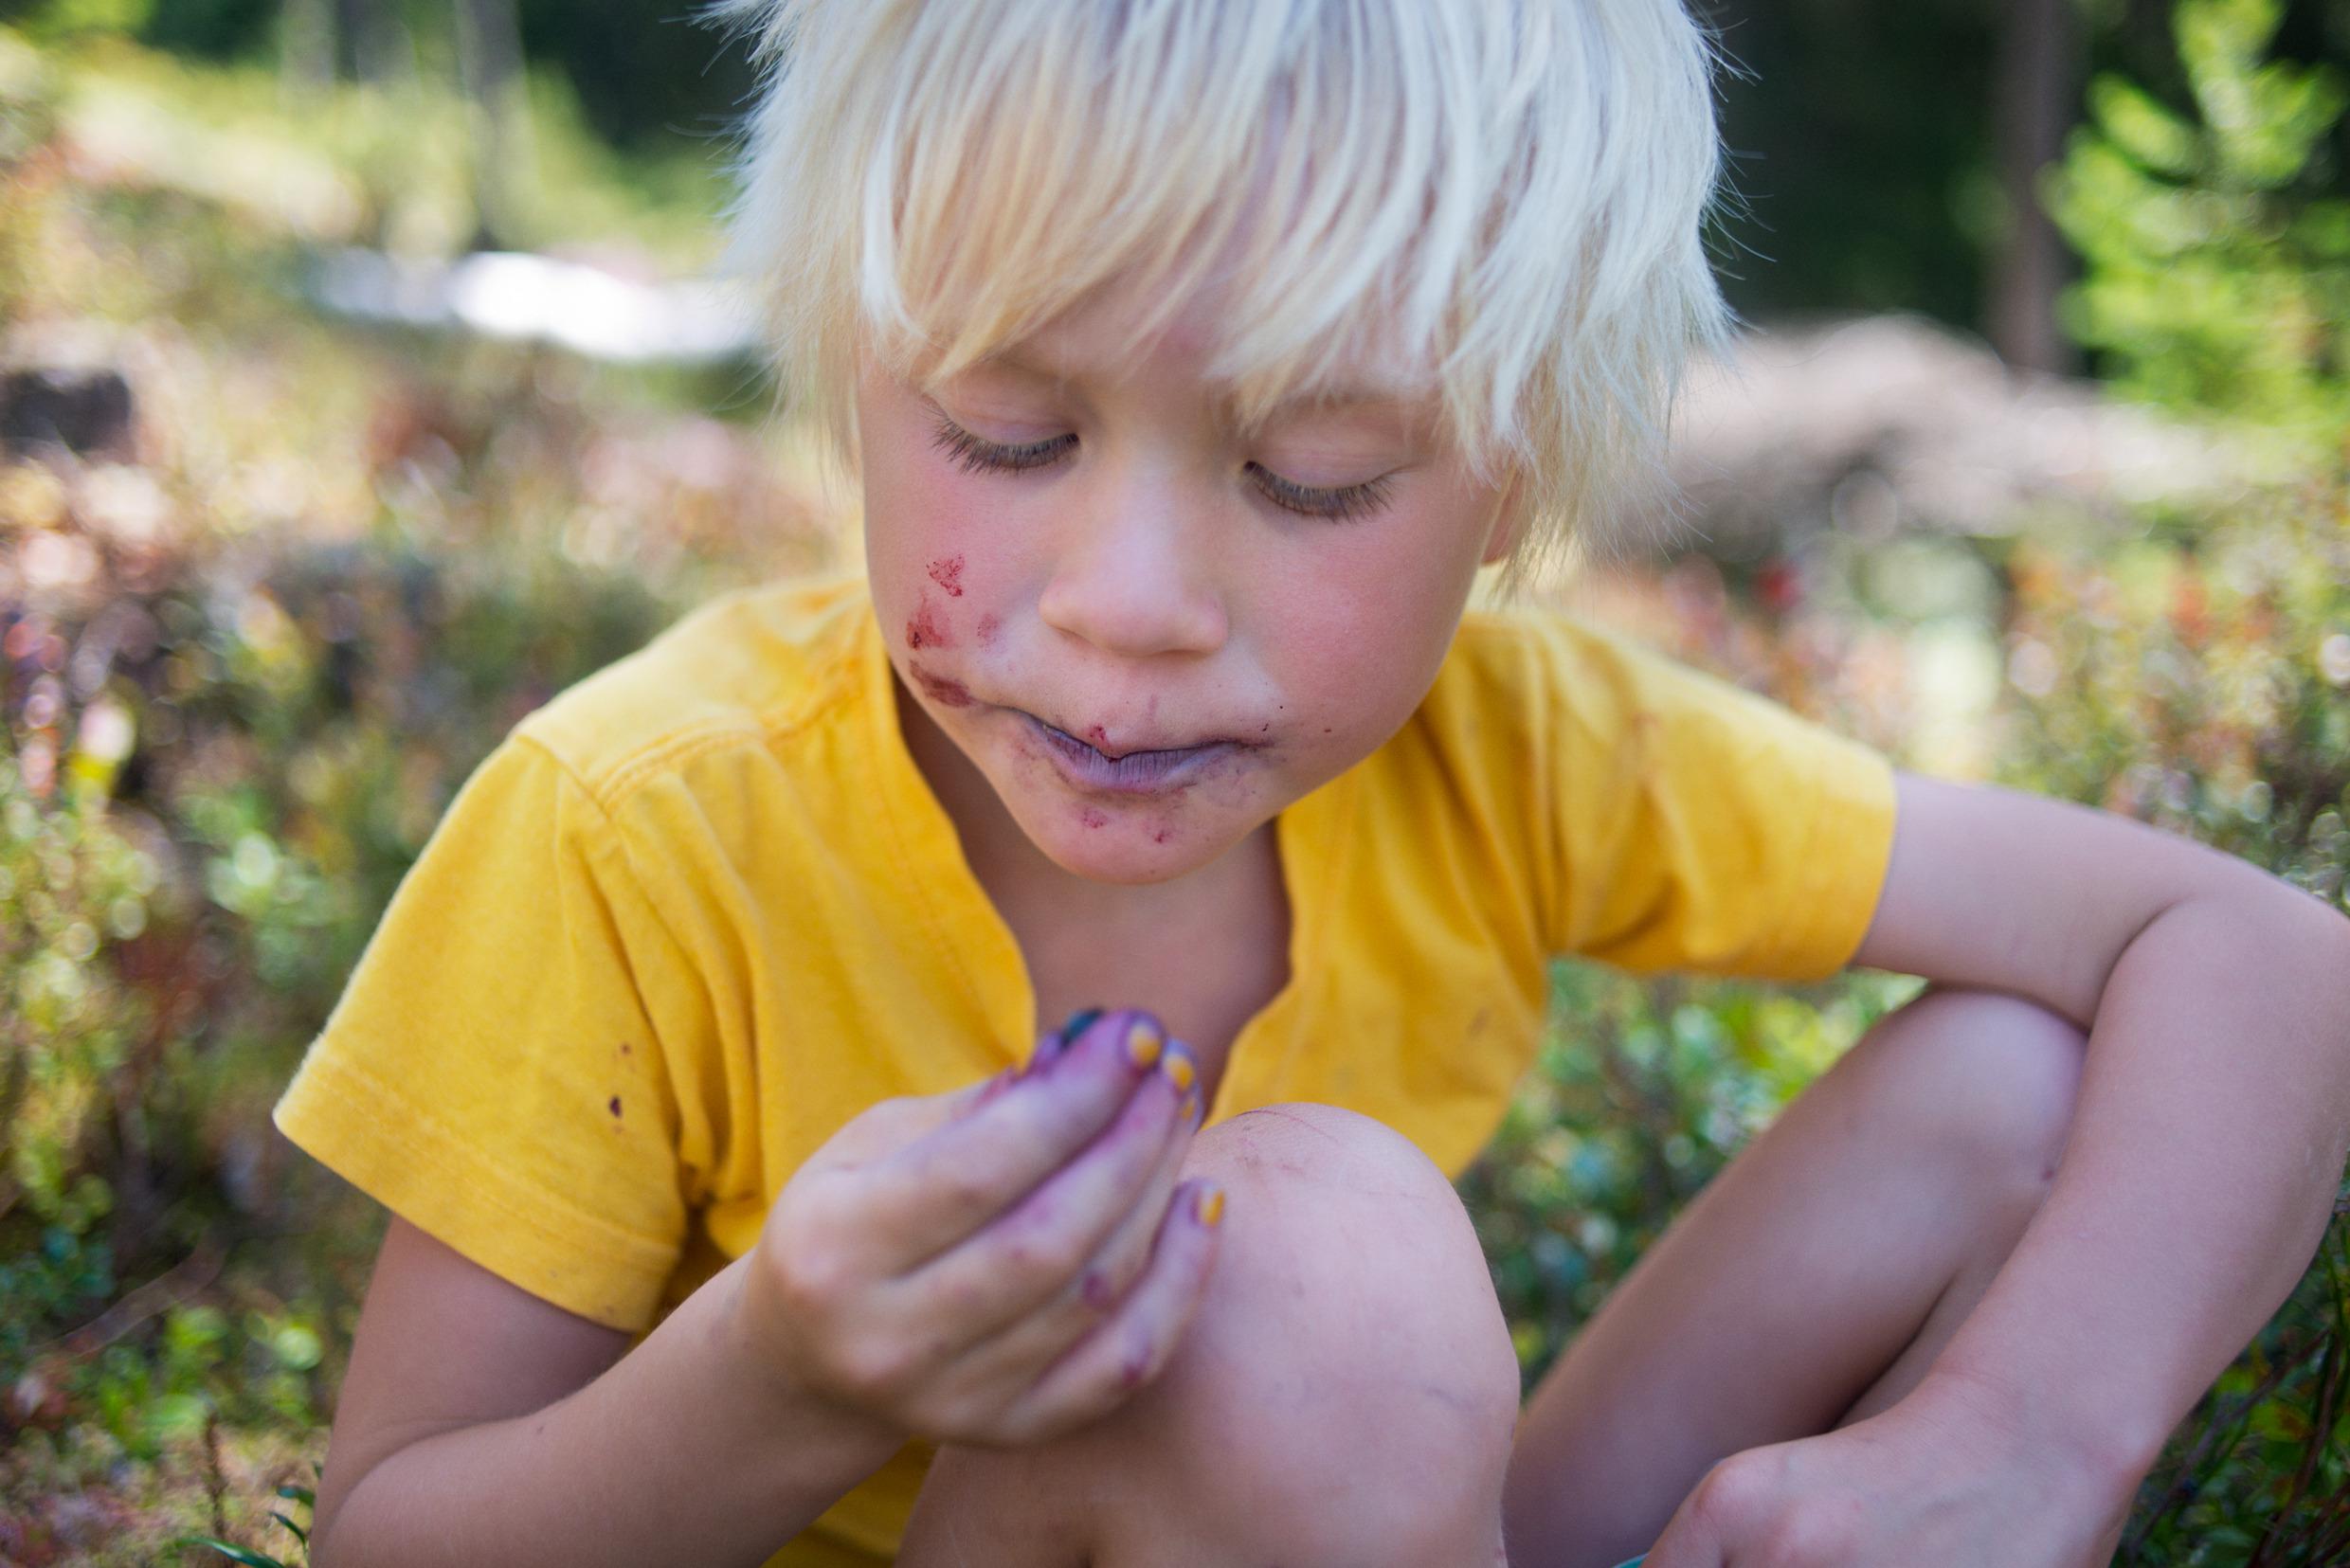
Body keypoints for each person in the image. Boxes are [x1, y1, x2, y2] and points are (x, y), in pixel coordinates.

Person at [269, 1, 2350, 1564]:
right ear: (847, 376)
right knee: (1302, 1267)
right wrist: (782, 1377)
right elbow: (394, 1534)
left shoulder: (1522, 746)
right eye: (1006, 434)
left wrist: (2020, 1434)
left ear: (1510, 485)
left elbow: (2251, 949)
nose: (1135, 608)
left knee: (2017, 1089)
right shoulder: (642, 828)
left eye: (1311, 478)